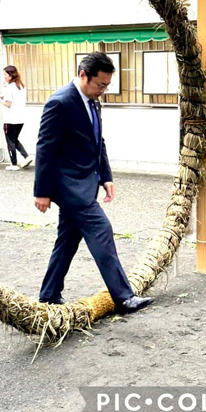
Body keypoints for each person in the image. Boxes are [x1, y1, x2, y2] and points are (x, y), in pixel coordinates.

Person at [33, 51, 153, 314]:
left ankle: (48, 294)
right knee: (102, 230)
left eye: (107, 86)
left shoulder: (92, 101)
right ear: (83, 75)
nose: (103, 91)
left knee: (67, 240)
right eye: (100, 85)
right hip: (70, 187)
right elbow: (45, 148)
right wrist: (41, 191)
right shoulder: (61, 103)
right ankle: (123, 297)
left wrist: (106, 176)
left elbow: (98, 142)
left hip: (87, 182)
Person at [0, 65, 33, 170]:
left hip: (10, 119)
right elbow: (14, 99)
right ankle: (26, 156)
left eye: (5, 74)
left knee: (10, 141)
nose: (4, 77)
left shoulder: (9, 87)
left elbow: (8, 103)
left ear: (11, 75)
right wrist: (3, 97)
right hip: (20, 118)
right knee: (14, 139)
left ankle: (14, 164)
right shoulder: (21, 86)